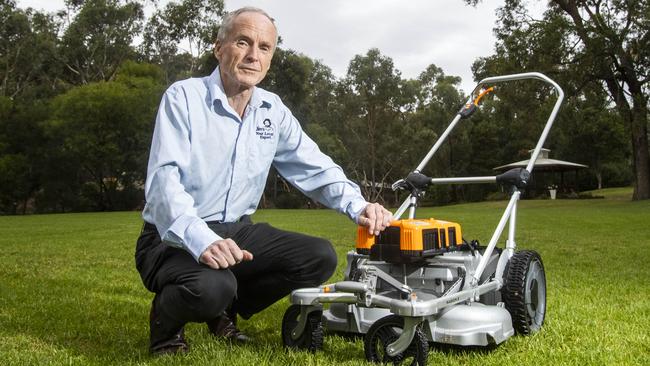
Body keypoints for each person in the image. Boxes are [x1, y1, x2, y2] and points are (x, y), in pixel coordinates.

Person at [135, 7, 392, 355]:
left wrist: (359, 205)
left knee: (318, 257)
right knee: (212, 287)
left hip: (236, 230)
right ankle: (166, 326)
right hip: (172, 237)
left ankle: (224, 310)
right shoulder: (183, 98)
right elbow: (164, 184)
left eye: (265, 47)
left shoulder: (272, 109)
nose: (254, 55)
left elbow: (314, 166)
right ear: (219, 48)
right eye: (243, 42)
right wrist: (202, 240)